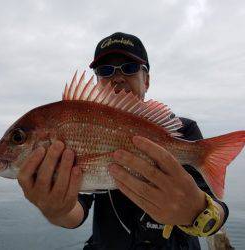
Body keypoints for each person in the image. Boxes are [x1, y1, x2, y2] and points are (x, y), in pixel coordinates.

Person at [17, 32, 229, 250]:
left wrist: (197, 213)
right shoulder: (79, 131)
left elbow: (217, 209)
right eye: (105, 71)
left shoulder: (182, 131)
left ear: (146, 80)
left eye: (129, 67)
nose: (117, 77)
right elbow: (76, 211)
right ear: (98, 82)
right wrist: (57, 211)